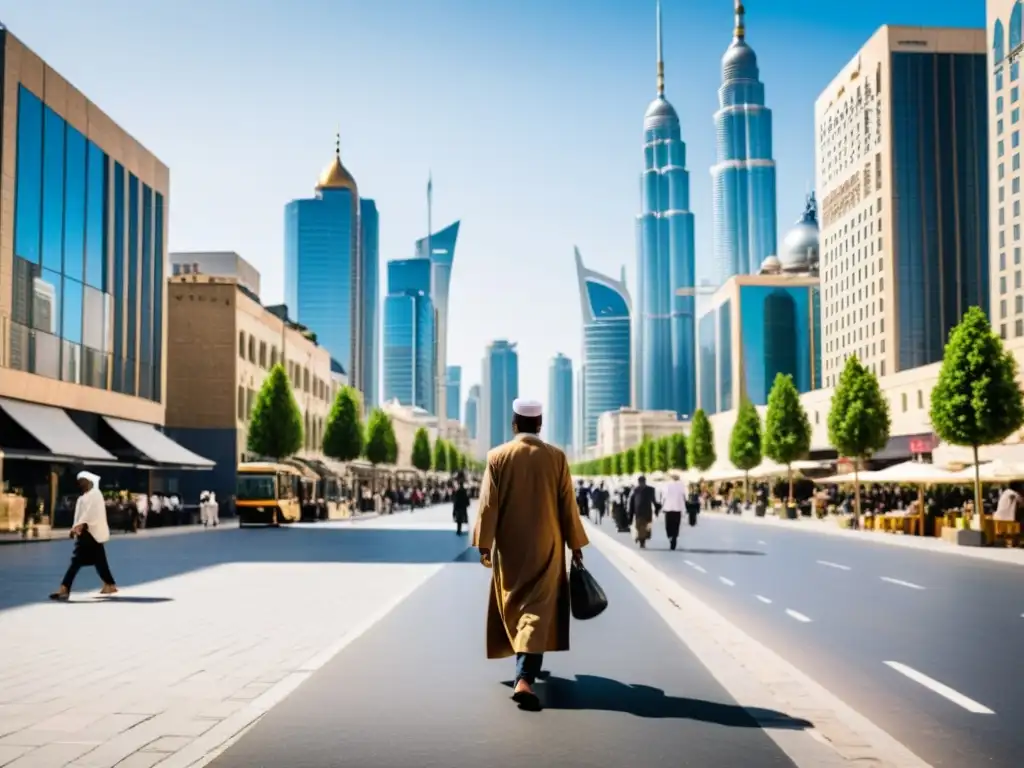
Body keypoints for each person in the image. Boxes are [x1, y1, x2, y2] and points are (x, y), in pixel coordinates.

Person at [474, 398, 588, 711]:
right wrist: (575, 545)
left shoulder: (497, 456)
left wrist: (485, 543)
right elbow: (568, 504)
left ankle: (524, 671)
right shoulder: (556, 457)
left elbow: (488, 504)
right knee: (537, 608)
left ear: (514, 425)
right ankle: (525, 677)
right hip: (547, 544)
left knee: (515, 603)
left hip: (510, 545)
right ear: (539, 425)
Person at [50, 471, 117, 601]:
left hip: (91, 532)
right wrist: (74, 527)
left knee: (76, 561)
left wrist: (81, 525)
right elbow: (79, 515)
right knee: (99, 561)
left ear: (89, 481)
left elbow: (92, 513)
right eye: (79, 481)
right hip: (85, 532)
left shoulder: (96, 495)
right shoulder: (82, 498)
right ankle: (110, 584)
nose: (81, 483)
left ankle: (64, 588)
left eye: (83, 480)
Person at [627, 475, 658, 548]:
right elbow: (654, 501)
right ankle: (641, 540)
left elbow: (631, 503)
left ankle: (641, 539)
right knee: (642, 527)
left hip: (640, 511)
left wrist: (630, 515)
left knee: (643, 527)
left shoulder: (636, 490)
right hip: (644, 512)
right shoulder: (649, 490)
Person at [661, 470, 686, 550]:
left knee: (668, 525)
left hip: (668, 508)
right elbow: (685, 496)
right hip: (678, 508)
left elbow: (664, 497)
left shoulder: (667, 485)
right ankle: (674, 537)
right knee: (676, 525)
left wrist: (662, 505)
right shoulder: (682, 485)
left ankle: (670, 536)